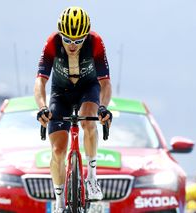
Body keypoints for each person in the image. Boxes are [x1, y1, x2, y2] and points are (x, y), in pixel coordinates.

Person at [34, 6, 112, 213]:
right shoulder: (52, 42)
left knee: (88, 121)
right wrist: (42, 108)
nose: (72, 45)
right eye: (68, 39)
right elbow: (40, 82)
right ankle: (59, 203)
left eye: (78, 40)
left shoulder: (95, 42)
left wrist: (103, 107)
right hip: (61, 92)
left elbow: (105, 84)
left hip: (88, 88)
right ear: (61, 34)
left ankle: (92, 177)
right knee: (58, 150)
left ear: (86, 36)